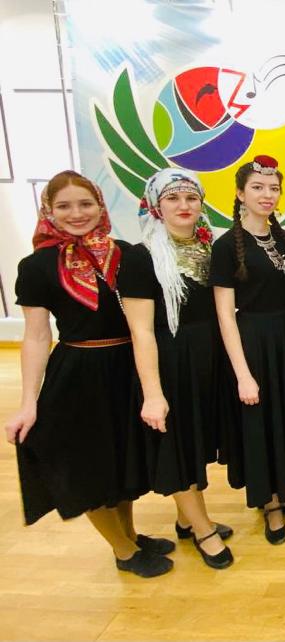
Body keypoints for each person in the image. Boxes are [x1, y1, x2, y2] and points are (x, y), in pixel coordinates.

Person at [6, 170, 171, 578]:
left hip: (126, 369)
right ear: (49, 211)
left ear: (100, 206)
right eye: (64, 206)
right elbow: (37, 336)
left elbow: (143, 329)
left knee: (123, 465)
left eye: (85, 204)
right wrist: (28, 402)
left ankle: (130, 535)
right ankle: (123, 551)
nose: (76, 213)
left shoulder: (127, 256)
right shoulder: (37, 266)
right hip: (78, 375)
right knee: (89, 469)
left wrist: (152, 392)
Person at [120, 169, 233, 569]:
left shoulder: (209, 248)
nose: (184, 206)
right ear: (156, 205)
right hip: (170, 364)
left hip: (208, 360)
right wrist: (153, 393)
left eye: (191, 198)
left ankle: (187, 520)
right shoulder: (142, 257)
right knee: (179, 445)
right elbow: (141, 331)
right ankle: (203, 530)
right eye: (173, 198)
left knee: (197, 442)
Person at [210, 155, 285, 545]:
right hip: (253, 344)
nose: (267, 195)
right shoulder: (225, 247)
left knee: (284, 419)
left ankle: (283, 490)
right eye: (258, 188)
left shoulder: (284, 238)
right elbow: (224, 315)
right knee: (261, 423)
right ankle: (269, 504)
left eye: (274, 188)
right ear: (240, 193)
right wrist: (243, 374)